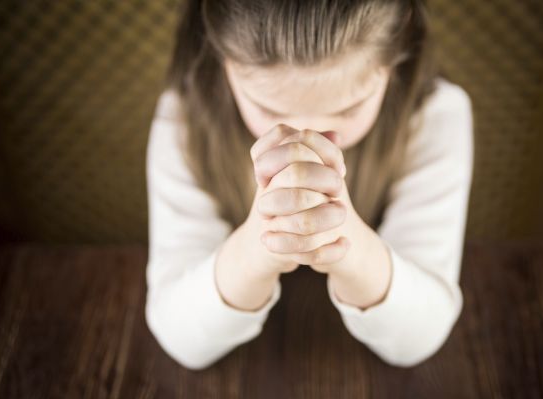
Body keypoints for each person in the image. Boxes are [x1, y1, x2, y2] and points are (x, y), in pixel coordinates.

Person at [145, 0, 474, 370]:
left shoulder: (436, 116)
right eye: (270, 111)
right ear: (223, 58)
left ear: (396, 49)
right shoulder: (183, 124)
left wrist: (341, 234)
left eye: (349, 110)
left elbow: (418, 337)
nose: (311, 138)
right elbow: (182, 337)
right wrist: (261, 242)